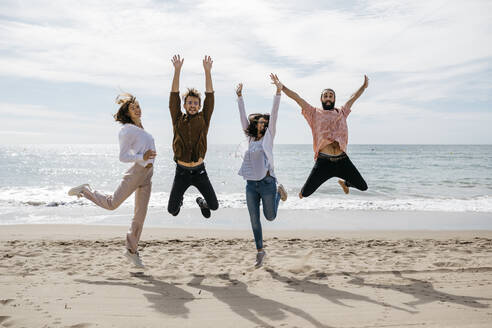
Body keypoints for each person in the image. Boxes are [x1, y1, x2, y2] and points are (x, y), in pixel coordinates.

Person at [68, 93, 156, 268]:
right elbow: (123, 156)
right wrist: (142, 156)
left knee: (140, 215)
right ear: (127, 113)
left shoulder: (140, 128)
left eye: (138, 106)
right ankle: (85, 190)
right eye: (133, 108)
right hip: (137, 172)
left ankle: (131, 251)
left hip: (147, 175)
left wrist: (146, 158)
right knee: (112, 204)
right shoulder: (126, 130)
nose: (137, 109)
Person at [278, 75, 369, 197]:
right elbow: (297, 98)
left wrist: (363, 87)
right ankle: (280, 192)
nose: (328, 98)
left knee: (363, 186)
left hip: (342, 160)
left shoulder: (342, 112)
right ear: (321, 99)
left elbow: (353, 97)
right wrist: (282, 87)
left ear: (334, 99)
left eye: (331, 96)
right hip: (324, 162)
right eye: (325, 96)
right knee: (304, 194)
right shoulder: (313, 113)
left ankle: (345, 184)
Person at [236, 74, 288, 268]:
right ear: (254, 124)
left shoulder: (269, 137)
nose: (263, 124)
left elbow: (274, 114)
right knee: (253, 218)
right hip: (250, 185)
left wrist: (278, 92)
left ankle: (278, 195)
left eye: (264, 122)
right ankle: (260, 251)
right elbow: (242, 117)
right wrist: (240, 96)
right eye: (259, 122)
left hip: (267, 184)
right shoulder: (250, 139)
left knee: (270, 217)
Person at [167, 55, 219, 218]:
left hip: (199, 171)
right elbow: (174, 96)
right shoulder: (177, 118)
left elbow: (210, 96)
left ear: (199, 106)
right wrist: (177, 71)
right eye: (189, 102)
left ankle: (201, 202)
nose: (192, 105)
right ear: (184, 105)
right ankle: (180, 201)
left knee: (214, 206)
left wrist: (207, 71)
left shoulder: (204, 119)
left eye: (196, 103)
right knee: (172, 210)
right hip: (181, 172)